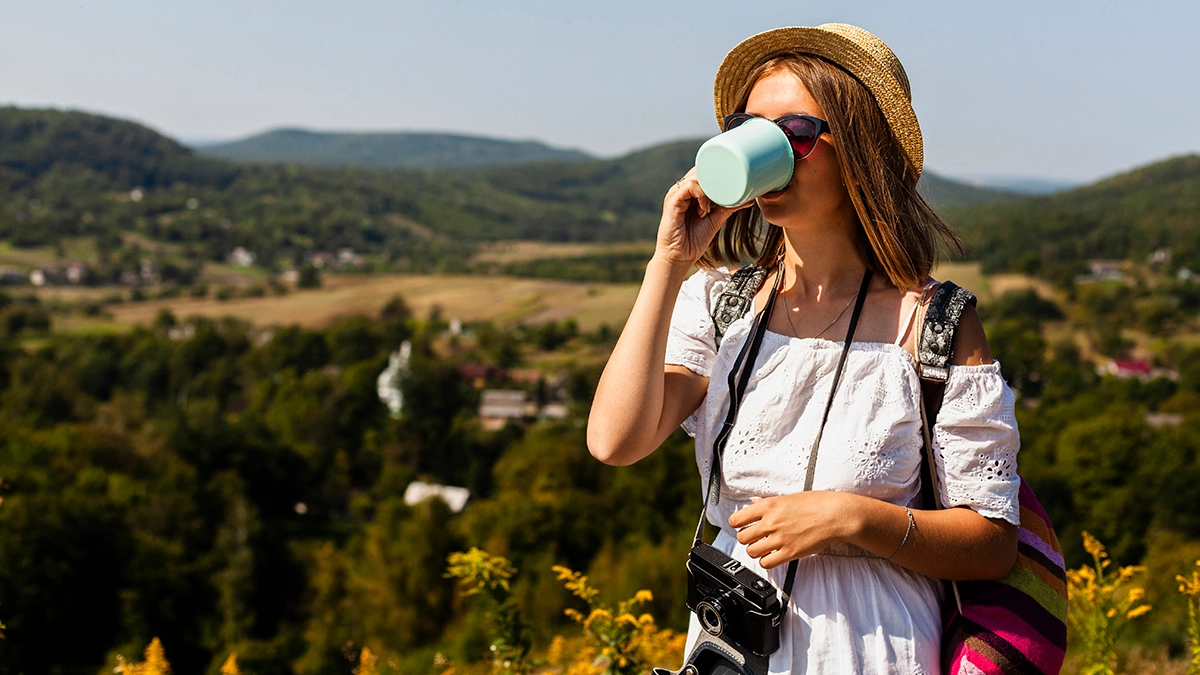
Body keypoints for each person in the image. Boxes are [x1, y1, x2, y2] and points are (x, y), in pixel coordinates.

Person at [586, 24, 1021, 674]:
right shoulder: (721, 306)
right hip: (733, 639)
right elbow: (614, 441)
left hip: (873, 645)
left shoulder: (933, 321)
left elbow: (991, 542)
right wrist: (670, 262)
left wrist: (852, 517)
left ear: (861, 150)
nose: (768, 152)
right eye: (747, 128)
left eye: (795, 133)